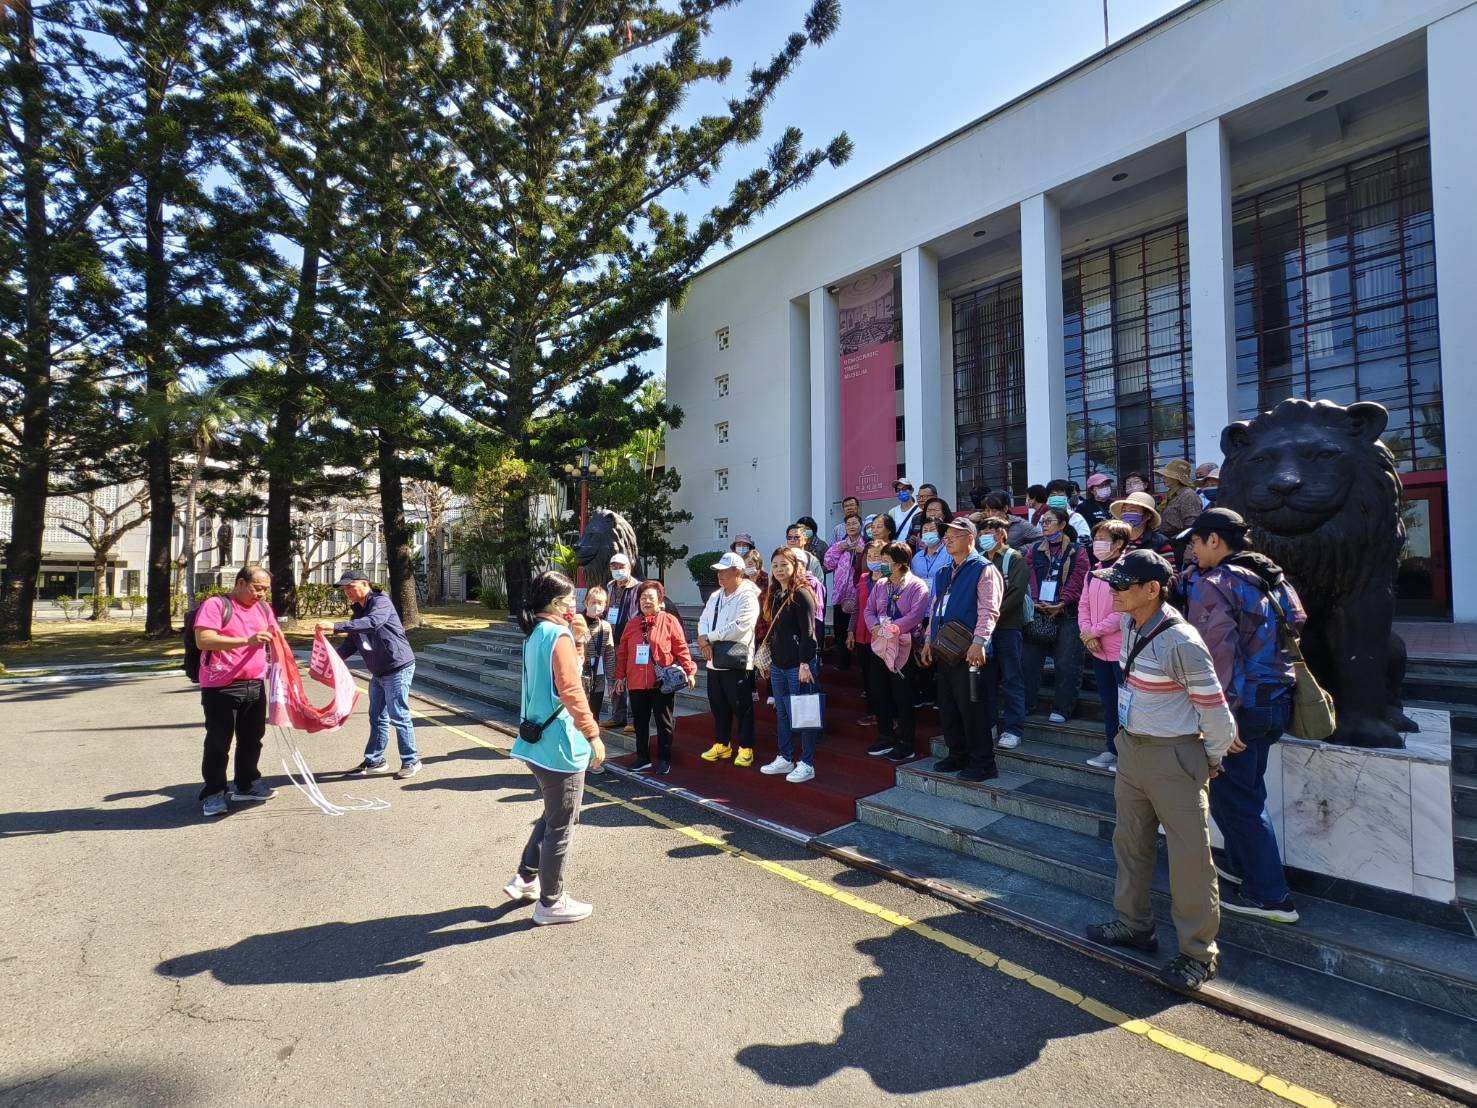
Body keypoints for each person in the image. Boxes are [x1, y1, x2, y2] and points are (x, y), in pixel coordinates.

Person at [1084, 550, 1237, 990]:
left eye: (1121, 584)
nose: (1112, 591)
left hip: (1174, 754)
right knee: (1130, 842)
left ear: (1151, 589)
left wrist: (1208, 760)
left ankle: (1197, 952)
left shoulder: (1182, 641)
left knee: (1190, 859)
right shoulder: (1132, 622)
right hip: (1133, 749)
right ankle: (1134, 924)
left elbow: (1217, 714)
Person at [1183, 508, 1303, 924]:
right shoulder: (1272, 579)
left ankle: (1271, 895)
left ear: (1215, 540)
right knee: (1246, 789)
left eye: (1195, 541)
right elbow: (1298, 622)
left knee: (1240, 800)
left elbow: (1217, 655)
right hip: (1276, 698)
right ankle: (1241, 865)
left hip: (1241, 705)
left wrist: (1222, 718)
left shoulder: (1216, 584)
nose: (1191, 550)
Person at [504, 571, 605, 925]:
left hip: (535, 740)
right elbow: (571, 688)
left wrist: (577, 640)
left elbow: (561, 676)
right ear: (556, 603)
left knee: (552, 814)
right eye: (570, 600)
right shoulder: (557, 633)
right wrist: (592, 733)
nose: (574, 605)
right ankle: (551, 901)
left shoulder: (535, 633)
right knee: (561, 822)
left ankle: (527, 876)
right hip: (560, 743)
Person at [920, 518, 1002, 781]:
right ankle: (957, 754)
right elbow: (935, 608)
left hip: (970, 651)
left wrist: (980, 642)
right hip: (945, 649)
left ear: (970, 538)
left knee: (973, 707)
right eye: (946, 536)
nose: (947, 540)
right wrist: (927, 641)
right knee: (948, 705)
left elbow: (989, 609)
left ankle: (983, 762)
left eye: (954, 535)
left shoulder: (983, 568)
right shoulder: (944, 571)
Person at [318, 570, 420, 779]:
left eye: (350, 586)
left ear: (364, 584)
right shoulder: (357, 612)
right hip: (379, 671)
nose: (346, 591)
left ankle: (411, 760)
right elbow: (351, 641)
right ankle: (375, 760)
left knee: (398, 715)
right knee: (376, 717)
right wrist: (331, 659)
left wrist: (336, 627)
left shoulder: (381, 602)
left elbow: (373, 622)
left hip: (398, 667)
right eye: (344, 588)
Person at [195, 565, 279, 817]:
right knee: (219, 741)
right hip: (221, 685)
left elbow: (275, 636)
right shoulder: (216, 605)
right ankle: (214, 793)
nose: (262, 594)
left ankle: (246, 783)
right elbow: (204, 640)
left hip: (254, 682)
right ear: (240, 583)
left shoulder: (264, 608)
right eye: (257, 588)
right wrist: (247, 640)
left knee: (252, 738)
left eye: (265, 589)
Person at [613, 580, 696, 774]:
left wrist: (690, 670)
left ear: (660, 601)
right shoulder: (632, 624)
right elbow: (623, 653)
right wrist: (619, 677)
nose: (646, 601)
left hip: (661, 682)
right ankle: (642, 757)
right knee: (640, 723)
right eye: (642, 598)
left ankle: (664, 759)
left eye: (651, 597)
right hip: (636, 682)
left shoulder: (669, 621)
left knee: (663, 722)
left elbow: (681, 647)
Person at [757, 547, 822, 783]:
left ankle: (807, 763)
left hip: (798, 665)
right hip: (778, 665)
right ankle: (785, 757)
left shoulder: (801, 594)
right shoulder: (775, 595)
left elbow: (809, 634)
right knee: (782, 714)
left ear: (795, 566)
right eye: (775, 565)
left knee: (804, 715)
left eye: (784, 564)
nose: (779, 569)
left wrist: (805, 663)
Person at [863, 540, 930, 762]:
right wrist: (874, 626)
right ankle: (885, 735)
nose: (882, 565)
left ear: (901, 564)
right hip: (881, 644)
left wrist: (894, 628)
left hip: (904, 644)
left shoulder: (917, 586)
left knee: (902, 694)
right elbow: (869, 609)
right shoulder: (881, 584)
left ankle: (906, 741)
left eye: (886, 561)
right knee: (879, 691)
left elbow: (916, 615)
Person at [1022, 508, 1087, 724]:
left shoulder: (1077, 550)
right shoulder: (1034, 549)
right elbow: (1029, 575)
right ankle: (1026, 703)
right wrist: (1036, 600)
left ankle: (1062, 708)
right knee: (1029, 662)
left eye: (1049, 521)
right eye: (1042, 521)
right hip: (1039, 612)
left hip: (1067, 613)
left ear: (1062, 524)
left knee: (1067, 663)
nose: (1045, 525)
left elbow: (1079, 577)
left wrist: (1063, 601)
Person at [697, 552, 761, 768]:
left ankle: (746, 747)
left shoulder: (748, 595)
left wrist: (710, 637)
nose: (720, 575)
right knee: (718, 704)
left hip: (736, 659)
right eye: (718, 571)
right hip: (714, 658)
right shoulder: (715, 596)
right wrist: (704, 640)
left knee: (741, 705)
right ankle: (722, 743)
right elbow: (704, 619)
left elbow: (741, 626)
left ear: (738, 572)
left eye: (724, 571)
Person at [1078, 520, 1131, 769]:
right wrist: (1087, 633)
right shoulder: (1093, 571)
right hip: (1098, 650)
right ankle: (1112, 749)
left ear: (1119, 543)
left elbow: (1123, 611)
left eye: (1104, 537)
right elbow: (1083, 605)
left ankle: (1128, 755)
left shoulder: (1127, 569)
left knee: (1126, 706)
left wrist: (1093, 632)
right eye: (1096, 536)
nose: (1098, 542)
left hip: (1120, 649)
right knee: (1109, 703)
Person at [979, 516, 1028, 750]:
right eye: (982, 532)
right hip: (983, 631)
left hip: (1007, 627)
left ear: (1001, 533)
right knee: (986, 681)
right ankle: (988, 724)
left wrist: (991, 615)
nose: (984, 536)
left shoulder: (1014, 558)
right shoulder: (978, 560)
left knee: (1012, 679)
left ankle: (1013, 729)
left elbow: (1016, 593)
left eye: (989, 531)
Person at [847, 535, 889, 728]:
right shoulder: (864, 579)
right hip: (862, 633)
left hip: (882, 635)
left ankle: (888, 715)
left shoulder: (891, 580)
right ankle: (872, 712)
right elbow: (857, 608)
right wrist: (850, 631)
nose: (873, 559)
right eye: (870, 556)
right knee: (867, 676)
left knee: (881, 678)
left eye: (878, 556)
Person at [601, 552, 642, 731]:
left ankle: (634, 719)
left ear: (629, 568)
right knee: (614, 677)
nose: (618, 570)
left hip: (632, 638)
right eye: (614, 567)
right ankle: (618, 716)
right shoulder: (609, 587)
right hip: (612, 638)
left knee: (632, 679)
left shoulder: (639, 588)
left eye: (621, 566)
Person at [823, 514, 866, 670]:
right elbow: (828, 563)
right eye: (848, 524)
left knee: (857, 629)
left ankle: (861, 665)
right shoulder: (839, 545)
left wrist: (862, 552)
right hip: (840, 595)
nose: (852, 526)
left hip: (859, 595)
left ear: (861, 526)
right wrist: (838, 550)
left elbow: (869, 566)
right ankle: (843, 662)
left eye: (855, 523)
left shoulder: (866, 545)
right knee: (840, 630)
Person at [1110, 491, 1174, 561]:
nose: (1127, 514)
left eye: (1133, 510)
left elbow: (1169, 570)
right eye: (1124, 510)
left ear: (1148, 516)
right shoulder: (1113, 540)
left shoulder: (1159, 542)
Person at [1156, 459, 1203, 535]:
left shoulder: (1188, 494)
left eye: (1167, 475)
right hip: (1166, 540)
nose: (1163, 478)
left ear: (1177, 478)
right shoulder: (1169, 495)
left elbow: (1192, 523)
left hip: (1179, 542)